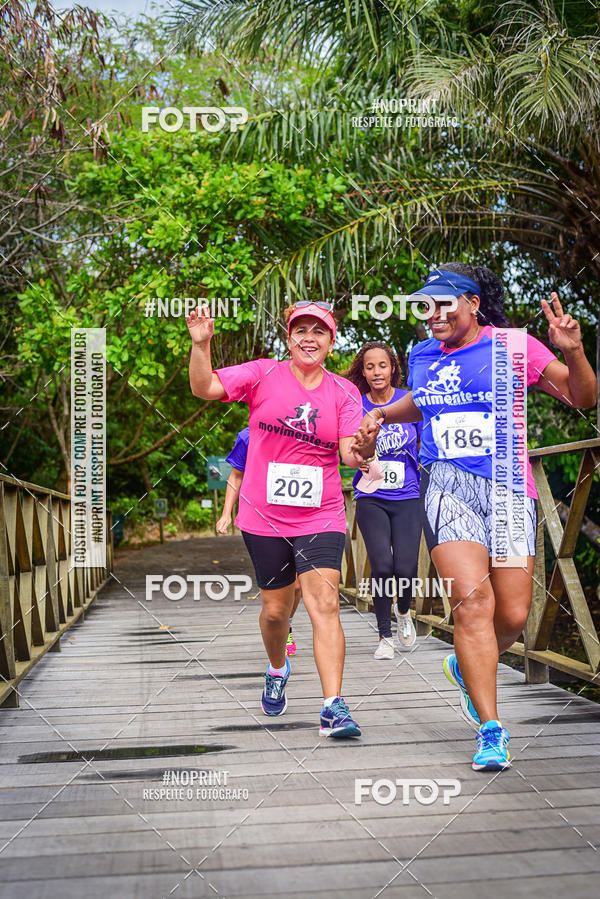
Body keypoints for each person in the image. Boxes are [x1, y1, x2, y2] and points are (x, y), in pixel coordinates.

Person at [353, 263, 597, 771]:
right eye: (425, 304)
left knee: (510, 614)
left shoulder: (514, 347)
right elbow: (424, 404)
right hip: (446, 486)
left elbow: (582, 398)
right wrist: (379, 414)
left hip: (510, 486)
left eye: (443, 303)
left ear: (471, 303)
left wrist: (573, 351)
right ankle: (491, 729)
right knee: (471, 603)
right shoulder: (421, 355)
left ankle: (464, 666)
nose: (432, 313)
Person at [187, 300, 378, 737]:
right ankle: (277, 668)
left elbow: (350, 454)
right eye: (301, 330)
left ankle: (333, 706)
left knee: (324, 604)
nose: (309, 337)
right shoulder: (261, 374)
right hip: (264, 516)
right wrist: (201, 345)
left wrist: (366, 447)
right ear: (288, 337)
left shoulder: (343, 392)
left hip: (322, 513)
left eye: (319, 331)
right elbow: (205, 388)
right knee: (276, 612)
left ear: (332, 342)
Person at [346, 342, 422, 659]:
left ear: (393, 367)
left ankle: (403, 610)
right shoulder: (355, 406)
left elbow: (426, 441)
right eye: (369, 366)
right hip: (370, 495)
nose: (376, 372)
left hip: (408, 495)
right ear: (362, 372)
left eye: (382, 365)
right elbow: (348, 449)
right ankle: (385, 637)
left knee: (405, 568)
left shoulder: (409, 401)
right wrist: (358, 457)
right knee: (381, 565)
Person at [216, 427, 301, 656]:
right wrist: (226, 513)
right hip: (262, 521)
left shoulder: (297, 432)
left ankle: (288, 622)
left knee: (298, 585)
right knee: (277, 590)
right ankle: (280, 624)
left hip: (299, 517)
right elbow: (235, 475)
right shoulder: (246, 435)